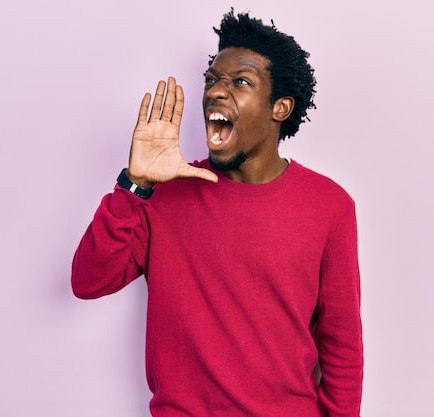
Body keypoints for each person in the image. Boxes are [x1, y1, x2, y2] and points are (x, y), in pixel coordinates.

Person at [72, 9, 363, 417]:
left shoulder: (330, 206)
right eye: (212, 79)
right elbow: (88, 281)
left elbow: (341, 345)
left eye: (240, 81)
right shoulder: (164, 192)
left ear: (280, 107)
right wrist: (134, 184)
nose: (216, 92)